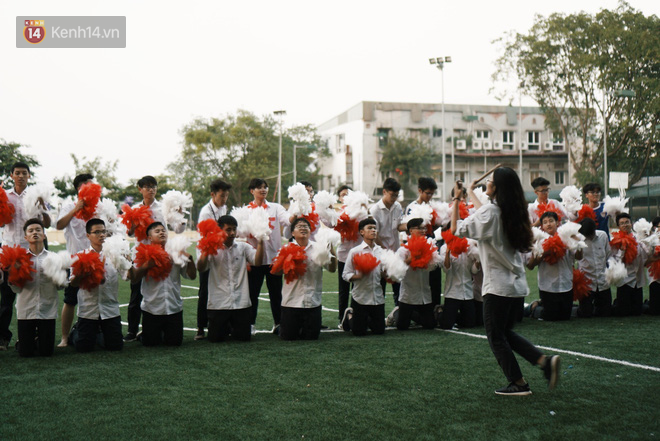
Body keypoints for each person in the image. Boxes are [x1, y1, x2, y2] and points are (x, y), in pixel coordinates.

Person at [452, 167, 560, 396]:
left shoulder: (491, 213)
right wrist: (470, 193)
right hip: (516, 286)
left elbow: (456, 228)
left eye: (490, 181)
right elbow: (486, 214)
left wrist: (455, 199)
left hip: (498, 287)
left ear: (496, 188)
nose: (487, 183)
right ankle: (544, 361)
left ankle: (518, 383)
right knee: (505, 333)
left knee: (495, 336)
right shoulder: (513, 212)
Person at [124, 175, 186, 343]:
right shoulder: (135, 208)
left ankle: (155, 327)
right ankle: (132, 330)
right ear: (140, 189)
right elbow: (127, 232)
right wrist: (134, 225)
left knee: (157, 286)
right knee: (135, 292)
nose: (150, 189)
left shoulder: (163, 208)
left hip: (160, 253)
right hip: (141, 253)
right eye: (147, 186)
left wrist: (179, 215)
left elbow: (178, 229)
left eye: (153, 186)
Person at [0, 162, 52, 351]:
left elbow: (47, 222)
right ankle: (3, 337)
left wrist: (42, 207)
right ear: (12, 175)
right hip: (10, 252)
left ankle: (36, 334)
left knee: (36, 292)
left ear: (29, 176)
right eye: (17, 173)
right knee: (7, 297)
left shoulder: (36, 195)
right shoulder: (4, 195)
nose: (21, 176)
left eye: (24, 173)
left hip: (33, 251)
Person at [197, 215, 263, 343]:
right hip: (219, 304)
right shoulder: (213, 248)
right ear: (220, 230)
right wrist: (207, 246)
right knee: (215, 339)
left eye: (234, 229)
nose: (232, 233)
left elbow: (258, 262)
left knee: (243, 338)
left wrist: (261, 242)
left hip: (241, 303)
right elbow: (201, 268)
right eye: (228, 230)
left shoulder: (243, 247)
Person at [130, 222, 196, 346]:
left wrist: (190, 259)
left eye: (163, 230)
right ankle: (144, 334)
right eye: (157, 231)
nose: (161, 232)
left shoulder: (176, 252)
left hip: (173, 308)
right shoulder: (143, 253)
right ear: (149, 238)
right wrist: (146, 265)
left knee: (174, 343)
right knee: (150, 344)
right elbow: (134, 279)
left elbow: (191, 276)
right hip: (152, 309)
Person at [277, 218, 337, 340]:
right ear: (292, 233)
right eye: (299, 226)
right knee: (288, 337)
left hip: (312, 304)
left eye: (306, 226)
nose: (303, 228)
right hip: (291, 303)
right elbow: (277, 273)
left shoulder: (318, 248)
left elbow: (332, 269)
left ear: (310, 231)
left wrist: (330, 247)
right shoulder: (285, 249)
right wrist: (288, 262)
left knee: (311, 337)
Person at [69, 218, 123, 352]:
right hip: (88, 310)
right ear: (88, 235)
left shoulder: (114, 254)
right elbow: (73, 283)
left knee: (115, 347)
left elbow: (130, 277)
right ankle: (75, 333)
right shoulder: (80, 256)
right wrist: (82, 274)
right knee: (83, 348)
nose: (101, 235)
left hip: (110, 309)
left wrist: (128, 262)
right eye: (97, 232)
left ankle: (99, 334)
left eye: (104, 231)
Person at [245, 178, 290, 335]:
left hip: (274, 259)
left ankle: (278, 323)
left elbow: (287, 220)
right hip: (255, 259)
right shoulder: (246, 211)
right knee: (252, 294)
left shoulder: (276, 208)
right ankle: (250, 324)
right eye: (259, 187)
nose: (263, 190)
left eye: (265, 187)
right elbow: (241, 235)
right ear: (252, 191)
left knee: (276, 294)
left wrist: (297, 209)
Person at [56, 173, 94, 347]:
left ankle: (94, 331)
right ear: (79, 188)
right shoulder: (68, 206)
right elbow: (59, 225)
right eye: (86, 185)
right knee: (70, 300)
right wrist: (76, 209)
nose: (90, 188)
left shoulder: (98, 208)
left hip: (96, 261)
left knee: (95, 297)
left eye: (92, 185)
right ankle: (64, 337)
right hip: (75, 261)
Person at [13, 219, 59, 357]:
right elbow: (15, 289)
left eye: (38, 230)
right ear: (26, 237)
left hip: (47, 310)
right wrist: (14, 274)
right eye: (31, 231)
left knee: (46, 353)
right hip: (26, 311)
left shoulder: (54, 257)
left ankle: (38, 339)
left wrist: (57, 276)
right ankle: (23, 341)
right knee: (25, 353)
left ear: (44, 235)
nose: (35, 233)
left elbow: (61, 286)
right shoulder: (19, 259)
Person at [526, 212, 582, 321]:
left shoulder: (566, 238)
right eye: (545, 222)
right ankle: (534, 308)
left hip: (566, 285)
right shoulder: (539, 241)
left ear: (557, 223)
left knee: (565, 318)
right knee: (550, 317)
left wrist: (578, 242)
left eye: (551, 221)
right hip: (548, 287)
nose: (549, 224)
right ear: (541, 226)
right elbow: (530, 265)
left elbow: (579, 257)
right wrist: (543, 254)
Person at [195, 178, 232, 341]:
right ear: (213, 194)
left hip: (220, 253)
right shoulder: (206, 212)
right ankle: (201, 327)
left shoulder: (224, 207)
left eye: (226, 196)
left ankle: (222, 323)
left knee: (221, 288)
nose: (224, 199)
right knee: (204, 291)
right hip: (207, 253)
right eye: (222, 196)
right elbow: (209, 235)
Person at [341, 218, 385, 336]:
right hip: (360, 298)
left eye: (375, 228)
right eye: (370, 228)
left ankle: (366, 319)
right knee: (359, 332)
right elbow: (345, 275)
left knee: (379, 331)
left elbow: (383, 272)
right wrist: (358, 276)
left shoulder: (381, 251)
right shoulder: (355, 251)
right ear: (362, 232)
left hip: (377, 298)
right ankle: (350, 315)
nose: (373, 230)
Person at [403, 177, 443, 308]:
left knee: (435, 278)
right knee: (419, 279)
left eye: (432, 193)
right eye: (427, 193)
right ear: (420, 191)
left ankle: (435, 309)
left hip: (431, 244)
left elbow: (436, 226)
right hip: (418, 247)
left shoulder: (432, 207)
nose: (430, 196)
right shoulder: (412, 207)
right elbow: (407, 227)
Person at [394, 218, 436, 330]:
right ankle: (396, 312)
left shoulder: (429, 246)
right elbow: (396, 271)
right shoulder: (403, 250)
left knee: (430, 325)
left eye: (424, 228)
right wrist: (410, 259)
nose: (423, 231)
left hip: (424, 295)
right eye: (420, 228)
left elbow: (437, 264)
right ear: (411, 230)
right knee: (402, 327)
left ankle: (413, 314)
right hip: (408, 295)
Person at [370, 177, 405, 306]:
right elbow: (375, 234)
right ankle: (378, 312)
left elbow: (399, 226)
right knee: (381, 285)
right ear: (384, 192)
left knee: (398, 284)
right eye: (392, 195)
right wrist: (384, 252)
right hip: (381, 253)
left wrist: (409, 226)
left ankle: (398, 313)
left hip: (396, 251)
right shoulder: (375, 210)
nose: (394, 198)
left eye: (396, 195)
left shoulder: (397, 206)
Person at [612, 213, 654, 316]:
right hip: (624, 281)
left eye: (627, 222)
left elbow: (647, 255)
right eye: (622, 223)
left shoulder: (638, 238)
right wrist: (622, 251)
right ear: (618, 226)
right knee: (623, 312)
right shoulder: (615, 241)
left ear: (631, 223)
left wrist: (649, 241)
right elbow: (615, 261)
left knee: (637, 312)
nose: (625, 225)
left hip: (637, 280)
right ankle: (617, 302)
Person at [438, 229, 478, 329]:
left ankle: (452, 315)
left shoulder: (470, 246)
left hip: (467, 292)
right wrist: (447, 252)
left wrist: (478, 260)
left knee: (470, 324)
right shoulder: (444, 247)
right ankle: (439, 313)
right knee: (446, 325)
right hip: (453, 292)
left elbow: (473, 271)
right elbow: (447, 270)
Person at [335, 185, 361, 327]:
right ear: (339, 198)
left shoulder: (360, 211)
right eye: (342, 194)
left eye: (348, 194)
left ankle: (355, 314)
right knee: (343, 288)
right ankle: (342, 317)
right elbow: (330, 223)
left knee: (357, 287)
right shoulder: (338, 212)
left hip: (358, 254)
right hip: (344, 254)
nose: (345, 196)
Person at [576, 218, 612, 317]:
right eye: (587, 235)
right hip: (586, 283)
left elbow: (609, 255)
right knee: (585, 314)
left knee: (605, 314)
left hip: (603, 281)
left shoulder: (602, 235)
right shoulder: (578, 239)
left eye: (590, 234)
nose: (589, 237)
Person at [647, 216, 660, 315]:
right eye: (657, 227)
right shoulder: (651, 241)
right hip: (655, 278)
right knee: (654, 311)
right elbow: (645, 260)